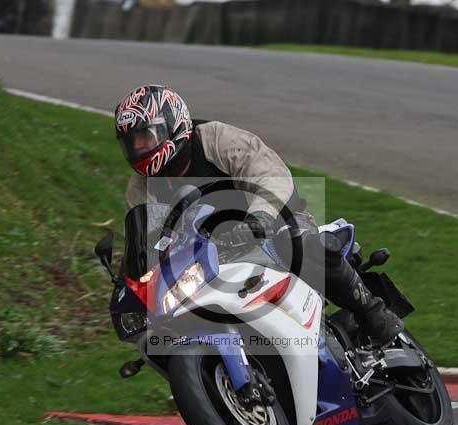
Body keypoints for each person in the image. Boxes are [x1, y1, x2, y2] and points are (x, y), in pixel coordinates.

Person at [115, 84, 403, 346]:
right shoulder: (140, 188)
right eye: (131, 143)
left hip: (271, 226)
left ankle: (373, 312)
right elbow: (144, 241)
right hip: (209, 259)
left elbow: (270, 174)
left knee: (305, 246)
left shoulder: (215, 139)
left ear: (172, 125)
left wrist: (259, 218)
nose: (138, 148)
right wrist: (131, 279)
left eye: (144, 136)